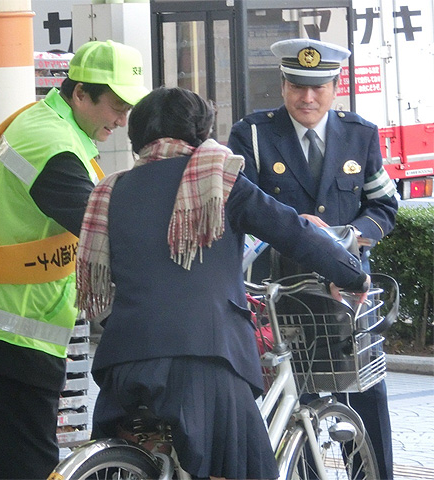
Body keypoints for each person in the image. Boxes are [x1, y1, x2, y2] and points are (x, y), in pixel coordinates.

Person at [78, 87, 371, 480]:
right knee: (239, 468)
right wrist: (353, 274)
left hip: (122, 362)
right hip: (204, 360)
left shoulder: (111, 192)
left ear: (137, 136)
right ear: (201, 133)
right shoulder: (219, 180)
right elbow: (293, 231)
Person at [0, 40, 148, 479]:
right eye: (116, 106)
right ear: (81, 93)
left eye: (128, 109)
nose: (122, 120)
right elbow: (105, 233)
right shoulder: (53, 148)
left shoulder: (47, 123)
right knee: (26, 469)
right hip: (12, 337)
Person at [227, 38, 398, 479]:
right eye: (297, 86)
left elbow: (384, 205)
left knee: (366, 397)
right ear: (283, 85)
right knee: (294, 404)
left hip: (348, 295)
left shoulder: (360, 134)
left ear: (335, 88)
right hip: (281, 296)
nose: (307, 97)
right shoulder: (254, 135)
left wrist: (351, 236)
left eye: (318, 87)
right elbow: (239, 210)